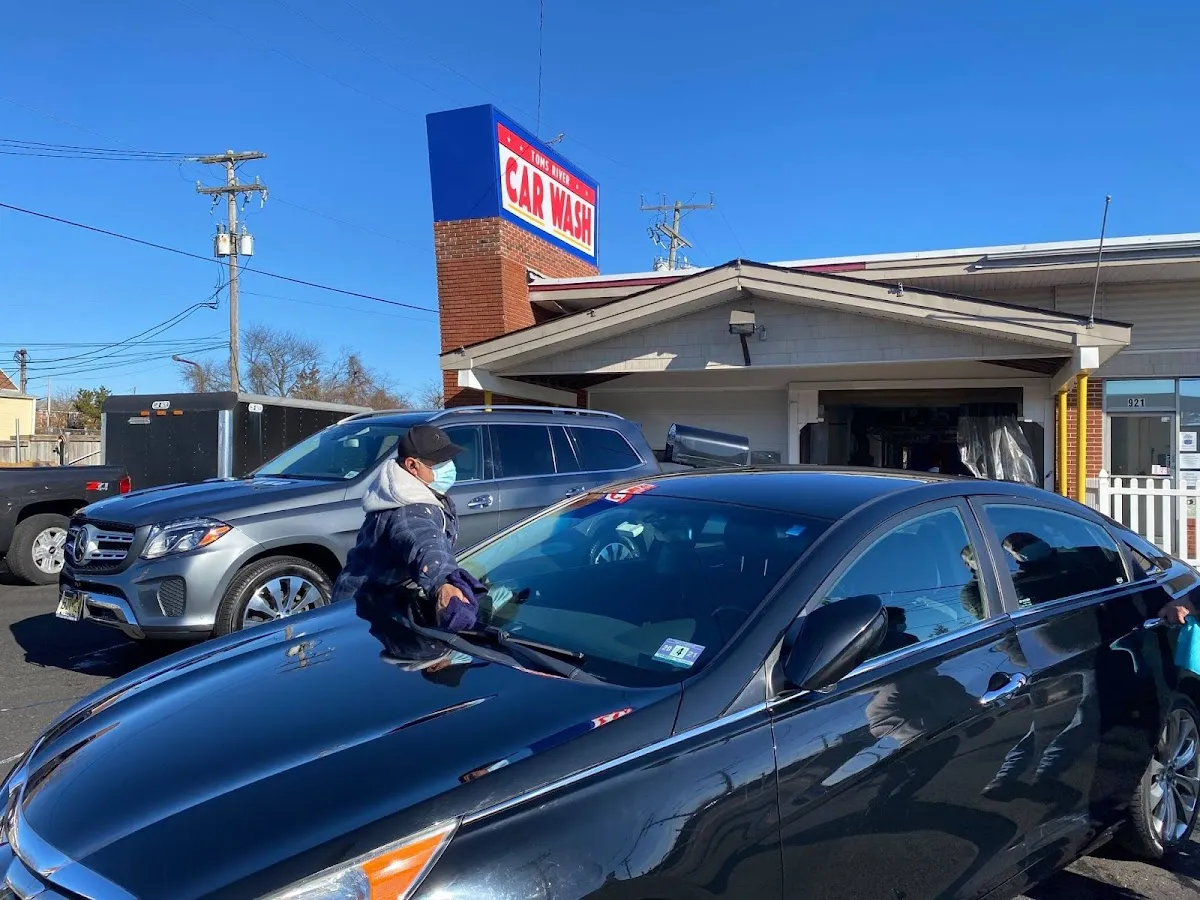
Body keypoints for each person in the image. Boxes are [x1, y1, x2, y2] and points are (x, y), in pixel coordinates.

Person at [331, 423, 474, 629]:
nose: (449, 466)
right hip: (365, 611)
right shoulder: (409, 507)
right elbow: (423, 542)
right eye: (439, 462)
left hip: (377, 604)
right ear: (412, 465)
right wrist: (444, 582)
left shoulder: (418, 488)